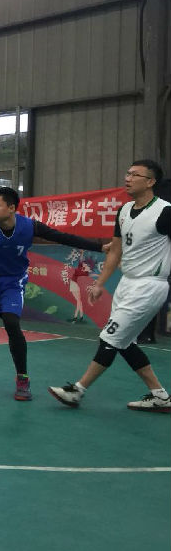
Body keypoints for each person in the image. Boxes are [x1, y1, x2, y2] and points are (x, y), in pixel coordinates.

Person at [0, 186, 104, 400]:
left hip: (12, 283)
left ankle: (22, 379)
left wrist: (100, 248)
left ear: (11, 208)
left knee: (12, 323)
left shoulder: (30, 226)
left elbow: (63, 237)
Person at [48, 160, 170, 412]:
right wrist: (100, 283)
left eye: (135, 175)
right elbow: (115, 250)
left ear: (150, 182)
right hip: (127, 283)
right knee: (124, 341)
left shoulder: (165, 212)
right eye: (128, 173)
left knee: (110, 337)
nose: (128, 178)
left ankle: (77, 391)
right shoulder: (124, 210)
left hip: (149, 285)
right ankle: (160, 396)